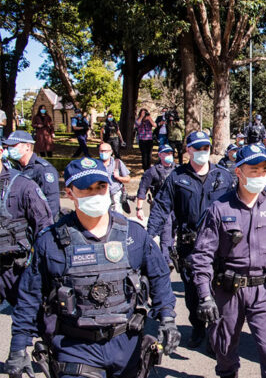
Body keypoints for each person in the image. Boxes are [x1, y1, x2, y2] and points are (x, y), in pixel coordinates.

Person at [4, 157, 180, 378]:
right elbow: (29, 295)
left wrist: (167, 318)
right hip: (75, 348)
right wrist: (19, 346)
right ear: (70, 193)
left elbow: (159, 276)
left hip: (126, 344)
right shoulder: (50, 242)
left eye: (101, 186)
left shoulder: (134, 235)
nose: (96, 194)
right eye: (86, 189)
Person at [190, 144, 266, 378]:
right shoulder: (220, 208)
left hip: (264, 290)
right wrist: (204, 296)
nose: (261, 175)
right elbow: (202, 257)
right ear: (238, 172)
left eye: (264, 170)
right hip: (228, 292)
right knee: (225, 354)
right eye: (254, 170)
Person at [147, 131, 237, 348]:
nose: (202, 152)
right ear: (188, 150)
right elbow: (161, 208)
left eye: (205, 148)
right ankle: (197, 327)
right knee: (193, 295)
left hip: (219, 248)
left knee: (220, 292)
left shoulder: (223, 176)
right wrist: (149, 237)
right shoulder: (177, 178)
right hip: (191, 247)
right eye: (197, 148)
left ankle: (216, 338)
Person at [0, 142, 53, 307]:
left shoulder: (22, 185)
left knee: (32, 322)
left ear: (1, 152)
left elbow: (45, 229)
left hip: (15, 270)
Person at [136, 144, 177, 267]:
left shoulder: (177, 169)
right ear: (160, 155)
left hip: (176, 207)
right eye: (166, 153)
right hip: (161, 207)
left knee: (173, 233)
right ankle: (166, 260)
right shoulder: (152, 171)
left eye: (170, 153)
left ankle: (169, 254)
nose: (169, 155)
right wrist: (139, 208)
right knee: (166, 232)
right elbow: (142, 190)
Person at [4, 130, 61, 221]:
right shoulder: (15, 168)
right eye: (9, 146)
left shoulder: (43, 170)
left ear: (27, 146)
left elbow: (52, 203)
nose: (10, 149)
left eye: (13, 146)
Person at [99, 142, 131, 214]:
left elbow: (128, 179)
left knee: (117, 214)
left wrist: (118, 177)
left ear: (111, 152)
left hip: (115, 192)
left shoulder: (117, 163)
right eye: (101, 151)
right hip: (101, 193)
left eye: (106, 151)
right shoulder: (96, 164)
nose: (103, 153)